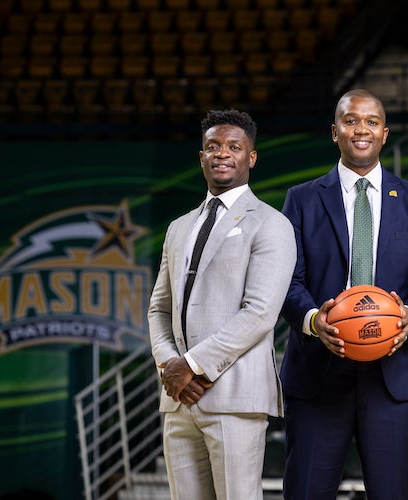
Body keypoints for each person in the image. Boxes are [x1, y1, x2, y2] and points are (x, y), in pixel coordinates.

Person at [280, 88, 408, 499]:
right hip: (318, 374)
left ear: (385, 133)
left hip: (394, 376)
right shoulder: (301, 200)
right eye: (351, 120)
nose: (361, 129)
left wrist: (406, 317)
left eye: (371, 122)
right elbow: (286, 281)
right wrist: (314, 321)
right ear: (334, 131)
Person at [147, 109, 297, 499]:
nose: (222, 154)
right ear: (201, 157)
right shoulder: (179, 227)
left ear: (251, 157)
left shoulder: (271, 223)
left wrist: (191, 365)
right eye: (212, 146)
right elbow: (159, 309)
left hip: (234, 397)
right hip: (179, 397)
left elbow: (260, 313)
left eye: (234, 146)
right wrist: (170, 366)